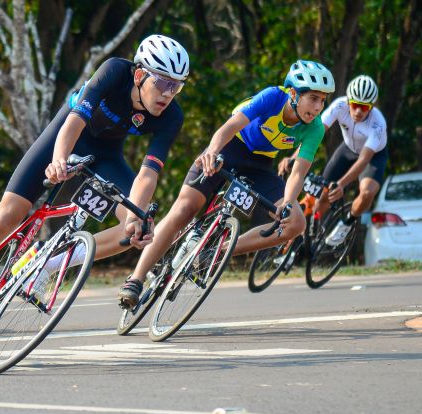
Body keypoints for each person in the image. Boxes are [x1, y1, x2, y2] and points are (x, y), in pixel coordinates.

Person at [0, 34, 190, 328]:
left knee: (135, 228)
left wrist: (136, 215)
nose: (169, 94)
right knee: (7, 214)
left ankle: (46, 261)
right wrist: (59, 160)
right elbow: (75, 121)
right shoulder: (114, 71)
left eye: (177, 86)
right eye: (164, 83)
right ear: (141, 75)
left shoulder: (172, 116)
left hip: (105, 155)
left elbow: (148, 172)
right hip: (66, 135)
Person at [119, 59, 336, 307]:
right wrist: (212, 151)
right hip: (231, 147)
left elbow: (298, 172)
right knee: (184, 209)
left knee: (295, 222)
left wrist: (287, 202)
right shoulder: (273, 97)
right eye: (314, 98)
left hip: (260, 166)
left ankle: (216, 253)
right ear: (294, 94)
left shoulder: (315, 128)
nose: (319, 106)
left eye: (323, 100)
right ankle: (135, 280)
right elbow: (229, 127)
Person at [278, 75, 386, 246]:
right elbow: (314, 135)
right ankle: (310, 236)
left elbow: (364, 159)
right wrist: (292, 158)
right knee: (324, 196)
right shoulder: (340, 105)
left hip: (373, 156)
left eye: (364, 107)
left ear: (371, 108)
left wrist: (341, 184)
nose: (358, 111)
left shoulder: (377, 124)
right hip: (347, 150)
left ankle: (348, 222)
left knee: (367, 192)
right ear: (349, 102)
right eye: (356, 105)